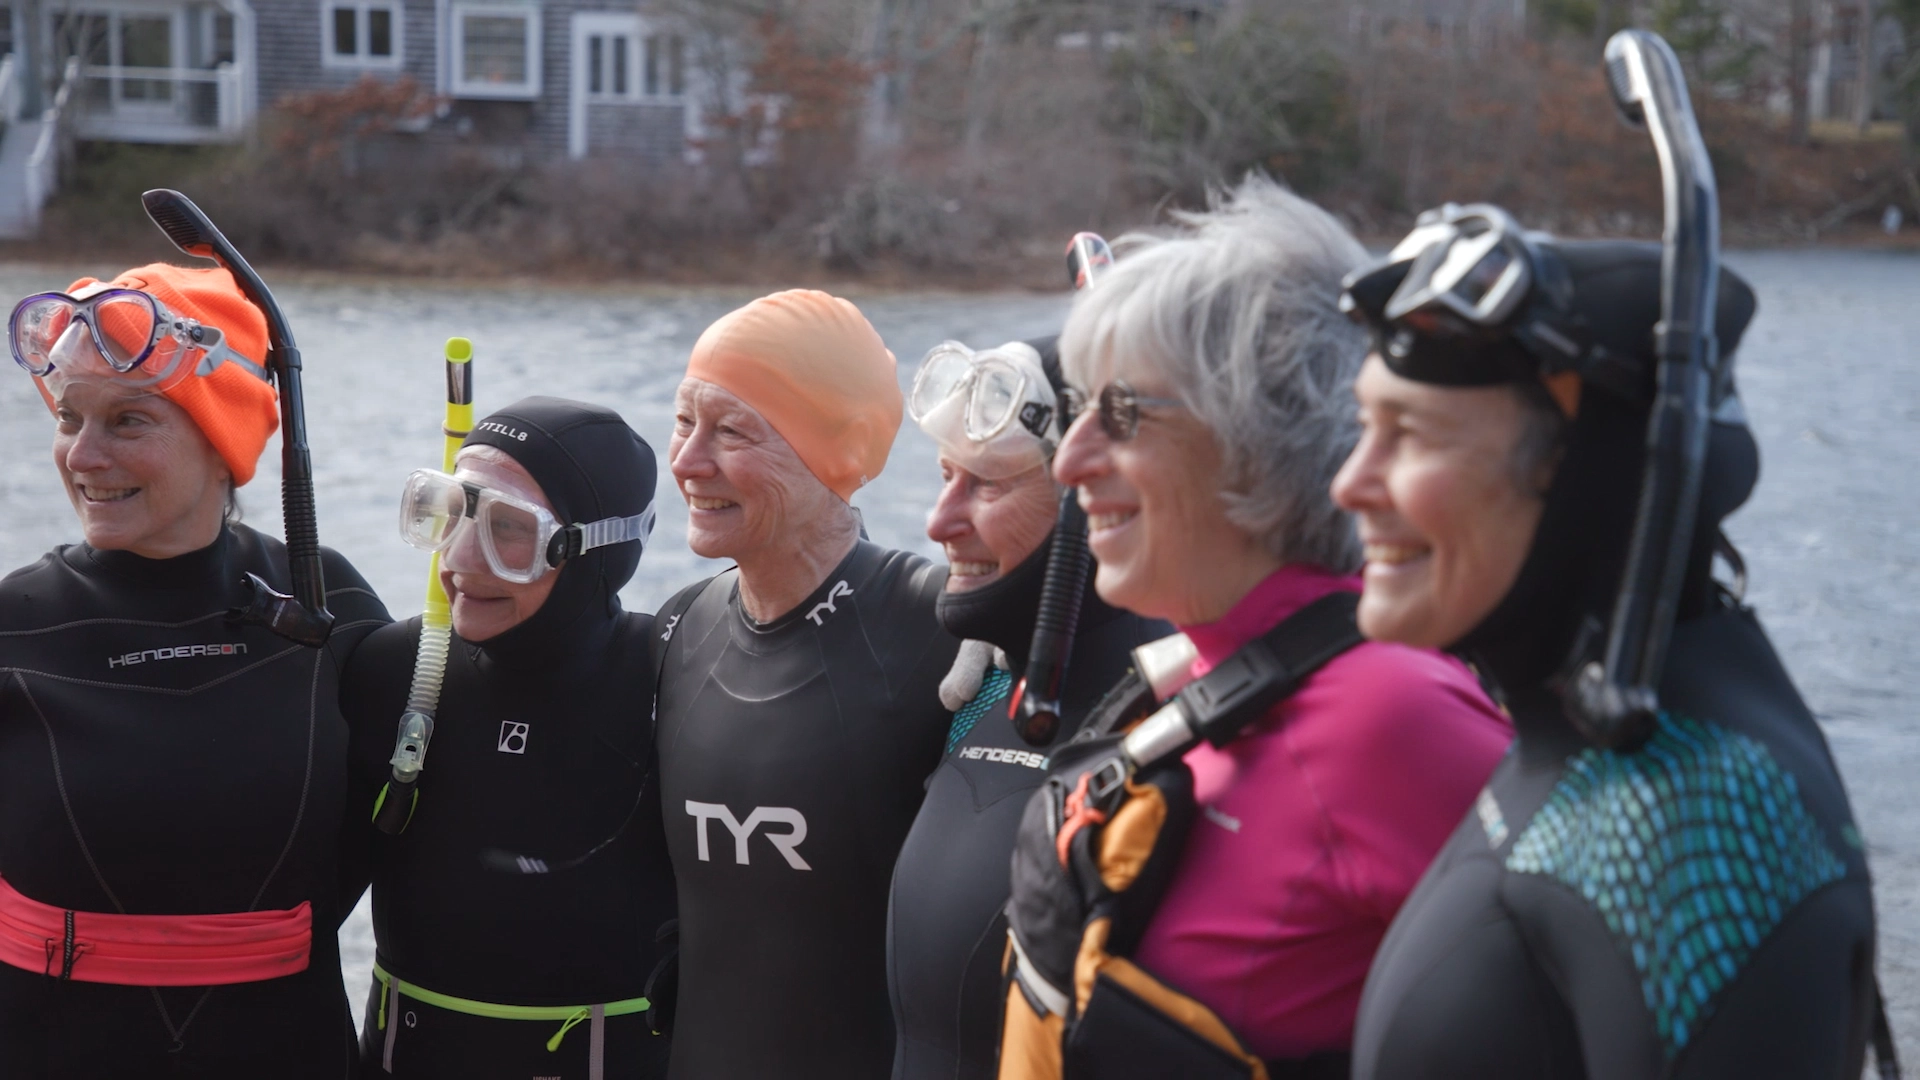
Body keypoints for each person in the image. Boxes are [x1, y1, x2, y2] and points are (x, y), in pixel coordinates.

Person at [1335, 206, 1881, 1078]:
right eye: (1365, 424)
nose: (1349, 484)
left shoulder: (1701, 829)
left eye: (1412, 434)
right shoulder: (1596, 734)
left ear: (1586, 474)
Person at [999, 177, 1513, 1076]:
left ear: (1258, 436)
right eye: (1078, 411)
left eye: (1119, 412)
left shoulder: (1394, 717)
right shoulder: (1194, 678)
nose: (1071, 460)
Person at [0, 264, 390, 1076]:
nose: (84, 454)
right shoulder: (18, 626)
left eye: (128, 420)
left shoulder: (331, 606)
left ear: (224, 443)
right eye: (69, 417)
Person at [654, 289, 961, 1079]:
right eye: (685, 421)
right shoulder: (681, 627)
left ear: (839, 450)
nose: (687, 461)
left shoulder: (943, 635)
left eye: (731, 431)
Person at [339, 397, 677, 1079]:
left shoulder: (674, 681)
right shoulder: (392, 670)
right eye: (452, 511)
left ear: (595, 549)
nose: (460, 557)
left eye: (508, 527)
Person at [889, 337, 1170, 1080]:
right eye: (945, 475)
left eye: (986, 484)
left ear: (1099, 499)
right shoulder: (979, 691)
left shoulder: (1170, 733)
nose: (937, 521)